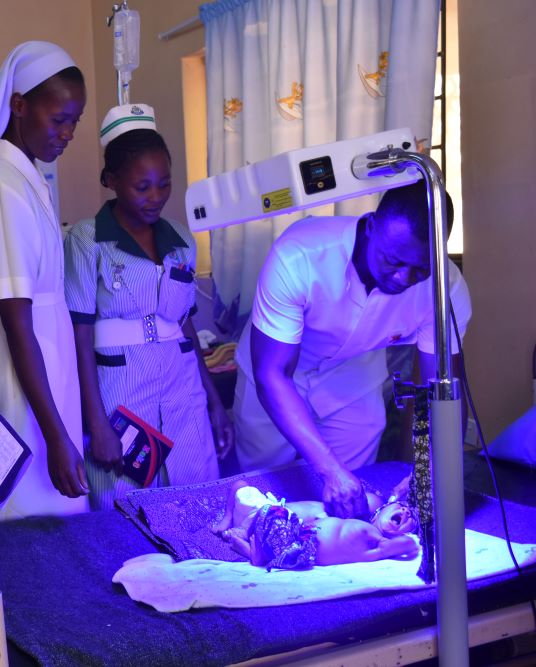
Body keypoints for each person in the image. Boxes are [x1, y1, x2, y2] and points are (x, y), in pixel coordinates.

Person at [233, 180, 472, 518]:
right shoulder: (301, 255)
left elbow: (439, 394)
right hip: (279, 372)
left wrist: (427, 471)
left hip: (354, 376)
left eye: (420, 269)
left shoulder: (446, 290)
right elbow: (272, 374)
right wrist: (328, 469)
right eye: (392, 261)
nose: (403, 278)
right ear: (372, 226)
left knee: (353, 495)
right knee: (264, 493)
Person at [0, 41, 90, 519]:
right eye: (58, 119)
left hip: (41, 360)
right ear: (19, 105)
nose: (67, 133)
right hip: (17, 368)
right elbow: (16, 321)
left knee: (45, 514)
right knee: (22, 514)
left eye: (74, 121)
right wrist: (56, 435)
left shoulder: (29, 177)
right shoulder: (4, 189)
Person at [64, 104, 232, 510]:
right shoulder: (89, 241)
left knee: (199, 504)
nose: (155, 197)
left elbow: (184, 326)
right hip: (121, 394)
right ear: (112, 180)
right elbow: (80, 336)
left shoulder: (180, 240)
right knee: (125, 512)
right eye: (142, 187)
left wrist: (214, 401)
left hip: (183, 388)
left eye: (164, 184)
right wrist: (96, 424)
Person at [212, 480, 419, 569]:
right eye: (401, 507)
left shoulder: (374, 542)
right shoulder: (352, 519)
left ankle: (250, 547)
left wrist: (410, 541)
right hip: (272, 514)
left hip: (291, 535)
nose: (405, 511)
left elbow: (406, 545)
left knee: (280, 543)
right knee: (241, 487)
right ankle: (228, 519)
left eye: (411, 517)